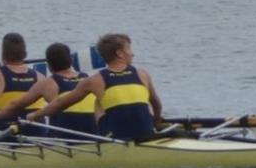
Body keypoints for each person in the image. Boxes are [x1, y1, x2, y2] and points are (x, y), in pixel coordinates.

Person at [27, 33, 162, 141]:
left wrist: (35, 115)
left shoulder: (94, 80)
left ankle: (103, 139)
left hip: (118, 136)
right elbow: (157, 105)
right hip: (147, 132)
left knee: (98, 101)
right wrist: (157, 122)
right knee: (143, 98)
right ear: (119, 53)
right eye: (129, 49)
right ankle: (151, 130)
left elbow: (60, 103)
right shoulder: (143, 74)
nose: (132, 53)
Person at [0, 42, 99, 137]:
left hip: (66, 134)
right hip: (94, 131)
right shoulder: (87, 79)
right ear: (71, 60)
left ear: (48, 64)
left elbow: (16, 105)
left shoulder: (48, 83)